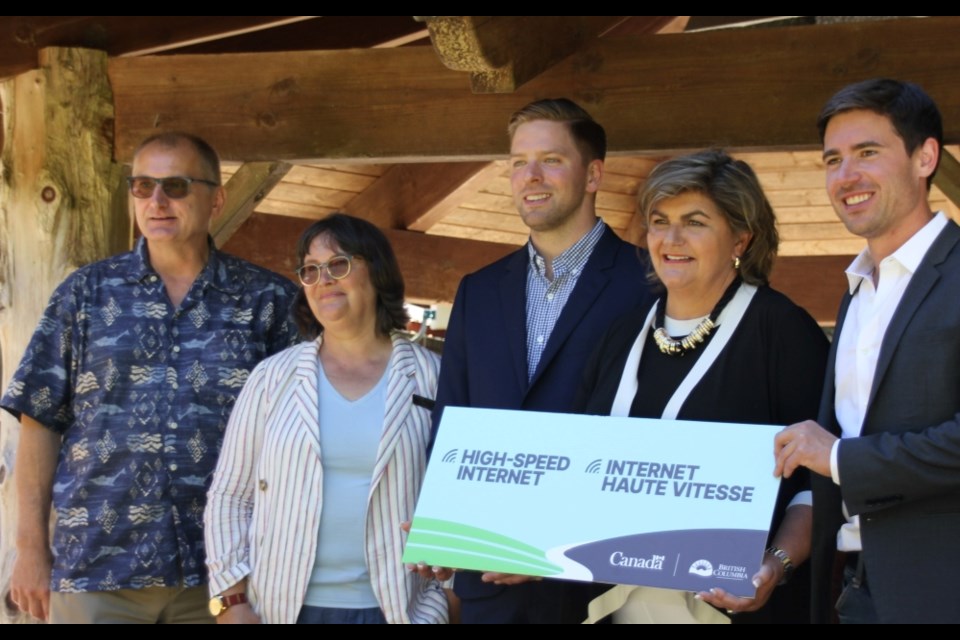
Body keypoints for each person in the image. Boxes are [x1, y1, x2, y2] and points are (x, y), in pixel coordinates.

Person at [1, 132, 298, 623]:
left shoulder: (268, 301)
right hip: (97, 569)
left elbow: (303, 435)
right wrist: (30, 550)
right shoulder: (84, 294)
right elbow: (39, 421)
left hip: (228, 575)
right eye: (142, 186)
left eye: (176, 186)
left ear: (216, 198)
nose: (156, 201)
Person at [425, 98, 654, 624]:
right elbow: (452, 426)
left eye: (550, 159)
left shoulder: (647, 284)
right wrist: (443, 524)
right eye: (517, 161)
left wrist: (558, 541)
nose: (530, 176)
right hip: (488, 588)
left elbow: (652, 440)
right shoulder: (478, 291)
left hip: (601, 593)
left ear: (593, 173)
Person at [578, 149, 827, 624]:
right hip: (612, 605)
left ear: (741, 236)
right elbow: (575, 462)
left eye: (694, 222)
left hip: (731, 606)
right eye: (659, 221)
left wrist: (776, 564)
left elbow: (819, 479)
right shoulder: (619, 334)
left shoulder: (782, 331)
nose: (671, 239)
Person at [774, 79, 960, 624]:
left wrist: (835, 458)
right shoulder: (855, 292)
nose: (845, 176)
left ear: (925, 157)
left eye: (867, 153)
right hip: (853, 592)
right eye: (833, 160)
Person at [204, 213, 448, 624]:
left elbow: (460, 501)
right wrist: (230, 603)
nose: (323, 280)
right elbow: (230, 496)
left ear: (378, 271)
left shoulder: (433, 377)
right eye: (311, 271)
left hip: (396, 610)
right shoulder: (271, 378)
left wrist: (446, 604)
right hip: (281, 610)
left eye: (339, 265)